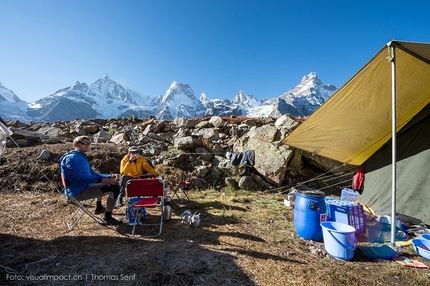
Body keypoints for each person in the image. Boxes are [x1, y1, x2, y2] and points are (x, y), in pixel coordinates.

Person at [60, 136, 122, 225]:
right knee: (115, 187)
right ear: (75, 145)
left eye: (89, 143)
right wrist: (100, 180)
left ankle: (99, 207)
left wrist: (108, 176)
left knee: (109, 182)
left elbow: (93, 174)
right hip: (78, 192)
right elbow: (76, 177)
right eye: (84, 143)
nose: (87, 145)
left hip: (84, 187)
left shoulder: (81, 157)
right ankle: (107, 218)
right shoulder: (72, 158)